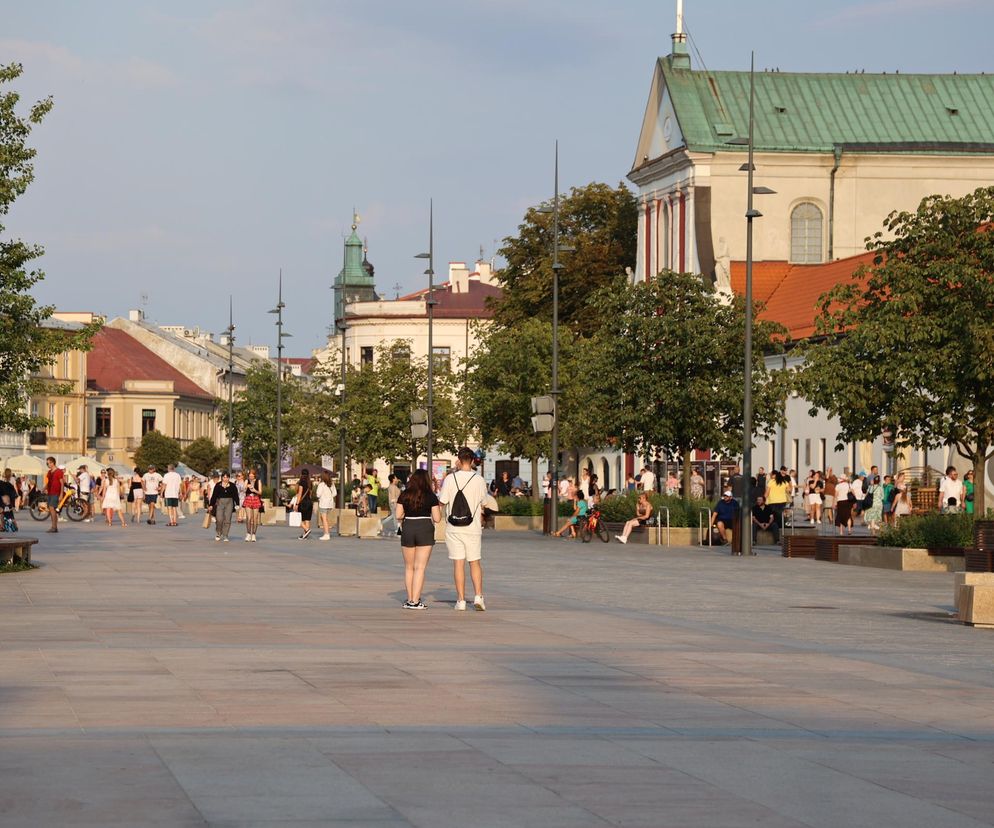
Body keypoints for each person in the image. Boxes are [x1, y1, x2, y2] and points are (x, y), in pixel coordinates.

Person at [438, 446, 490, 611]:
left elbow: (442, 501)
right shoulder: (479, 479)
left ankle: (460, 600)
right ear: (474, 460)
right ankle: (478, 596)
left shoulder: (450, 479)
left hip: (454, 527)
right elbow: (485, 502)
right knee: (474, 562)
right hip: (473, 527)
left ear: (459, 461)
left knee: (458, 563)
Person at [396, 469, 441, 610]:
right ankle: (416, 600)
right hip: (425, 528)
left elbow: (398, 515)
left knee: (409, 567)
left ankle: (410, 600)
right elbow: (437, 518)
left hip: (408, 526)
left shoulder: (405, 495)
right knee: (420, 567)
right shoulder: (431, 496)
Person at [209, 472, 239, 542]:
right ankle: (218, 532)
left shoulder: (232, 485)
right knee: (219, 519)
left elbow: (236, 495)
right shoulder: (218, 485)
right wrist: (211, 505)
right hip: (220, 503)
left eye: (227, 477)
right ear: (222, 477)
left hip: (229, 503)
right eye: (224, 477)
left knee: (227, 520)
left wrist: (237, 504)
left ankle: (225, 535)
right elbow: (214, 496)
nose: (225, 479)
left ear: (229, 478)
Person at [765, 468, 791, 533]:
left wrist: (763, 499)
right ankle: (781, 526)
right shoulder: (784, 481)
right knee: (780, 514)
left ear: (774, 475)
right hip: (782, 501)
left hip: (772, 501)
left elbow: (767, 492)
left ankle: (775, 528)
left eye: (771, 475)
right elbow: (789, 490)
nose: (771, 476)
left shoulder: (771, 481)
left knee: (774, 515)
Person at [43, 456, 63, 533]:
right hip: (50, 492)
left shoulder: (59, 471)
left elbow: (62, 483)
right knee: (52, 510)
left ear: (53, 462)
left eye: (49, 463)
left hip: (56, 493)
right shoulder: (49, 472)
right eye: (47, 463)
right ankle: (54, 527)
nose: (48, 464)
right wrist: (44, 488)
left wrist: (61, 494)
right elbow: (49, 482)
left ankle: (54, 527)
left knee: (52, 508)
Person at [242, 469, 262, 541]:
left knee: (255, 518)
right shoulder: (247, 481)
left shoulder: (258, 481)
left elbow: (260, 492)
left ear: (254, 475)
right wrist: (246, 487)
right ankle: (248, 534)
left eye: (252, 476)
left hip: (256, 499)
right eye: (250, 476)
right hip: (248, 498)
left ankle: (253, 534)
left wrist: (254, 490)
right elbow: (243, 490)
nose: (251, 477)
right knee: (249, 517)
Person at [293, 469, 314, 539]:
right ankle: (305, 535)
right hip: (309, 502)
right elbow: (311, 493)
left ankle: (307, 530)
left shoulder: (301, 482)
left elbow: (300, 494)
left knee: (299, 519)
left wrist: (297, 504)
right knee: (307, 519)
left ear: (301, 474)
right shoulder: (310, 483)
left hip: (303, 503)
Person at [316, 471, 336, 540]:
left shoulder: (321, 484)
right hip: (330, 504)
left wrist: (323, 497)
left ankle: (326, 534)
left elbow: (318, 494)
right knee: (324, 518)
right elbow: (335, 493)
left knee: (324, 519)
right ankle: (326, 532)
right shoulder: (332, 484)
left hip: (323, 503)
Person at [381, 473, 401, 538]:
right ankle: (397, 531)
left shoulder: (393, 486)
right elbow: (393, 498)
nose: (397, 479)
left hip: (396, 504)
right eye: (396, 478)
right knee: (395, 517)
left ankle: (381, 522)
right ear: (393, 479)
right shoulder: (392, 487)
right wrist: (396, 503)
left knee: (393, 516)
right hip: (395, 504)